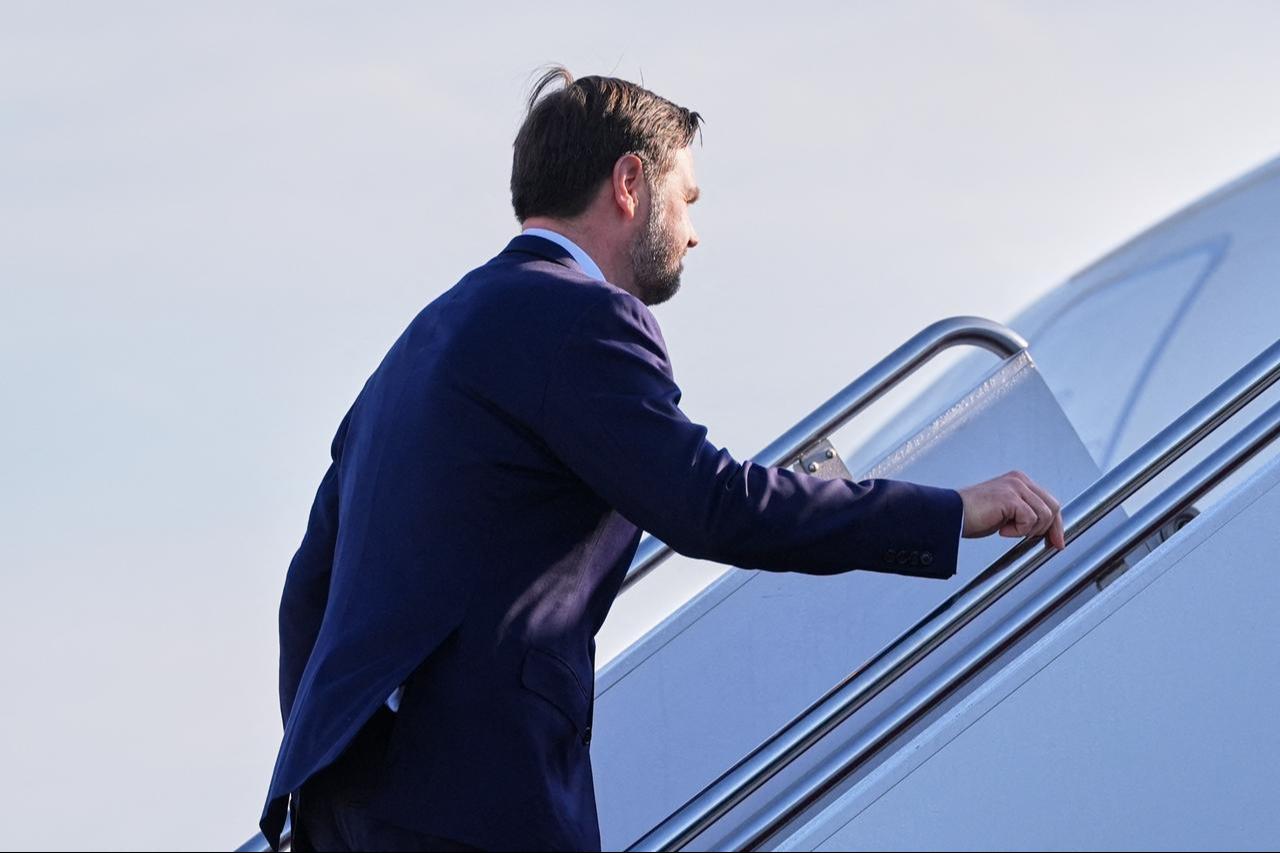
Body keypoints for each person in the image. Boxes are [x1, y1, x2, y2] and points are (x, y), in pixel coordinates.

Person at [258, 66, 1065, 852]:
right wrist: (948, 511)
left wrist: (328, 759)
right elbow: (715, 503)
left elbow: (309, 588)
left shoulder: (416, 346)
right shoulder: (582, 316)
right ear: (630, 183)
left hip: (342, 797)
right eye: (687, 199)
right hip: (479, 794)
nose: (693, 231)